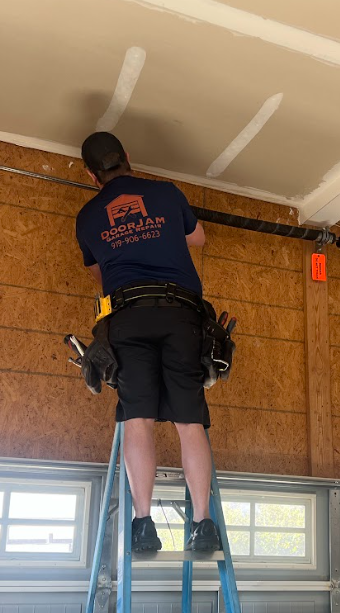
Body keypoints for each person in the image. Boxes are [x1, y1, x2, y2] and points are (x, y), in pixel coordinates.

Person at [75, 131, 221, 554]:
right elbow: (199, 238)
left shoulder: (87, 217)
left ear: (90, 174)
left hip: (127, 316)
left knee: (136, 418)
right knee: (189, 420)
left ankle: (143, 524)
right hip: (182, 315)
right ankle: (203, 523)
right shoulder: (165, 193)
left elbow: (101, 277)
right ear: (127, 157)